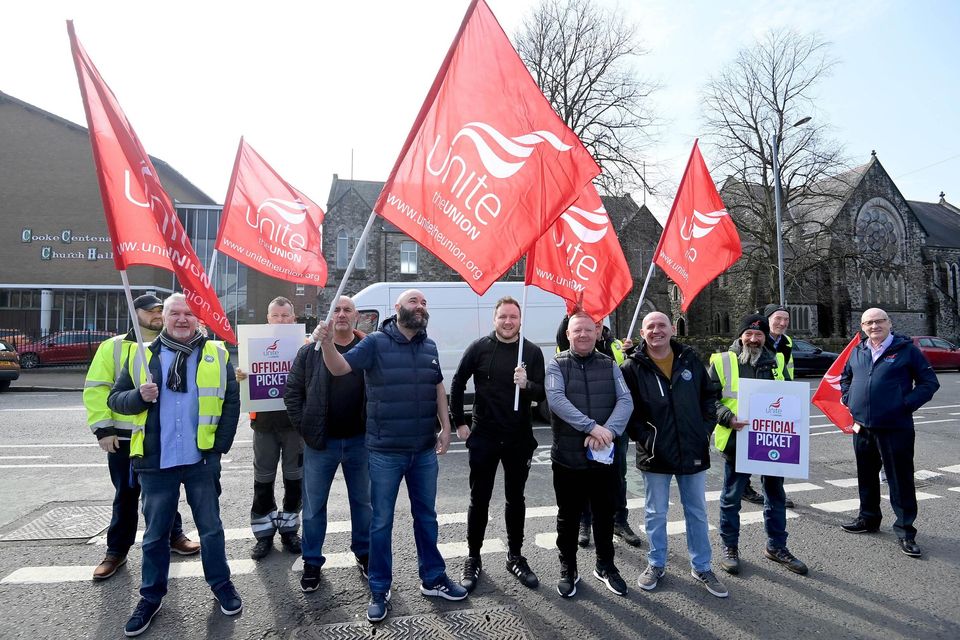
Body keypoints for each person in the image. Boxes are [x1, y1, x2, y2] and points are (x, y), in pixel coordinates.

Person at [315, 288, 467, 623]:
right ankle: (379, 589)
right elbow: (340, 368)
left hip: (423, 450)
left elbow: (438, 386)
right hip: (385, 452)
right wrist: (326, 343)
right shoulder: (375, 343)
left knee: (426, 518)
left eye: (425, 302)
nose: (420, 306)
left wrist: (446, 426)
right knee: (381, 523)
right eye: (414, 301)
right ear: (397, 308)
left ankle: (433, 579)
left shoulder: (429, 345)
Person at [108, 293, 241, 637]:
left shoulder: (216, 353)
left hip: (200, 461)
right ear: (164, 318)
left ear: (198, 319)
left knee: (211, 529)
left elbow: (230, 403)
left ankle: (221, 583)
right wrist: (139, 396)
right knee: (154, 537)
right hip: (156, 462)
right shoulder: (142, 356)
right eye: (175, 314)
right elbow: (115, 400)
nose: (182, 319)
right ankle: (151, 597)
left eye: (188, 314)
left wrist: (217, 450)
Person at [84, 294, 200, 581]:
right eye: (151, 311)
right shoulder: (113, 347)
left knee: (164, 493)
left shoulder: (172, 344)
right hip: (123, 438)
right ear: (135, 313)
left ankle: (174, 537)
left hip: (158, 436)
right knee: (126, 494)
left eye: (161, 310)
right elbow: (97, 388)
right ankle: (116, 551)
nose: (157, 315)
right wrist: (103, 429)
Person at [621, 312, 728, 598]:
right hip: (655, 452)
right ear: (642, 333)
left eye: (662, 326)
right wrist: (646, 438)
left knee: (696, 511)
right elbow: (626, 410)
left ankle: (702, 566)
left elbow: (709, 396)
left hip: (692, 447)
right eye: (650, 327)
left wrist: (704, 430)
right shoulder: (631, 367)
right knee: (656, 513)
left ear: (671, 329)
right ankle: (656, 564)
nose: (656, 331)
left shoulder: (689, 358)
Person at [450, 296, 545, 593]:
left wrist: (526, 385)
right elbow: (457, 383)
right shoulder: (479, 348)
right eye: (503, 316)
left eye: (513, 317)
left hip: (518, 439)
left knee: (515, 500)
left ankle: (515, 556)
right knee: (479, 499)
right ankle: (473, 557)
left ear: (520, 319)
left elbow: (543, 394)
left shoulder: (530, 352)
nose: (508, 321)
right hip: (485, 437)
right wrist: (460, 423)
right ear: (495, 319)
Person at [710, 313, 808, 576]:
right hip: (736, 440)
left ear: (765, 338)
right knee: (731, 499)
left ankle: (777, 547)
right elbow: (708, 399)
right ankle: (730, 547)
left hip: (771, 441)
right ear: (740, 336)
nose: (753, 339)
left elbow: (789, 395)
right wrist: (727, 418)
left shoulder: (777, 360)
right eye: (749, 334)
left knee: (775, 496)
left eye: (759, 335)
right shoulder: (722, 361)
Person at [284, 295, 371, 592]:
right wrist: (306, 428)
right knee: (313, 507)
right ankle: (312, 562)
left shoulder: (368, 348)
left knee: (363, 504)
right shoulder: (310, 352)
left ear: (357, 316)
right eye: (337, 309)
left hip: (360, 442)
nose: (342, 314)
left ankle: (364, 553)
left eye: (348, 310)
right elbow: (292, 393)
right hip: (321, 443)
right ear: (329, 317)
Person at [839, 307, 939, 558]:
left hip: (895, 427)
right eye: (869, 323)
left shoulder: (907, 350)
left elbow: (929, 383)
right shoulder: (858, 350)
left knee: (900, 480)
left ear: (889, 323)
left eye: (879, 321)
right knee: (866, 476)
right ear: (862, 327)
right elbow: (846, 377)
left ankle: (906, 531)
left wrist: (905, 405)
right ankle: (869, 519)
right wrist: (848, 397)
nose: (874, 326)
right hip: (862, 426)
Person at [546, 312, 633, 598]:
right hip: (568, 458)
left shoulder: (609, 364)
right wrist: (592, 427)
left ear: (597, 334)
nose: (583, 335)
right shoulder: (556, 364)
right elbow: (556, 401)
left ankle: (605, 566)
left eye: (588, 330)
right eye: (577, 331)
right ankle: (568, 568)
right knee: (568, 517)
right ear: (568, 335)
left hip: (603, 457)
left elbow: (625, 400)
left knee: (604, 515)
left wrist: (609, 430)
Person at [556, 314, 642, 549]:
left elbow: (627, 381)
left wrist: (632, 353)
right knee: (584, 480)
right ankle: (585, 522)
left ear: (601, 326)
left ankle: (620, 521)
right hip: (584, 429)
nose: (589, 330)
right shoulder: (570, 344)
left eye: (596, 323)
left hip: (613, 429)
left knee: (618, 477)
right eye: (585, 324)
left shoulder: (616, 346)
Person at [235, 297, 303, 560]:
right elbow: (243, 376)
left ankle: (289, 530)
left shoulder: (305, 346)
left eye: (286, 315)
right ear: (268, 318)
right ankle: (263, 535)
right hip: (263, 424)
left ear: (294, 319)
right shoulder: (253, 343)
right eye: (276, 315)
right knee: (263, 480)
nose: (281, 320)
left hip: (294, 425)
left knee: (294, 478)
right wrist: (240, 375)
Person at [742, 304, 795, 509]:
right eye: (777, 319)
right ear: (767, 320)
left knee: (773, 452)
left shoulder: (787, 342)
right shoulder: (756, 339)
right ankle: (746, 489)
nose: (782, 323)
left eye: (786, 319)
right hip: (754, 401)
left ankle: (773, 494)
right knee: (748, 449)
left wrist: (790, 397)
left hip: (777, 402)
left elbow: (786, 370)